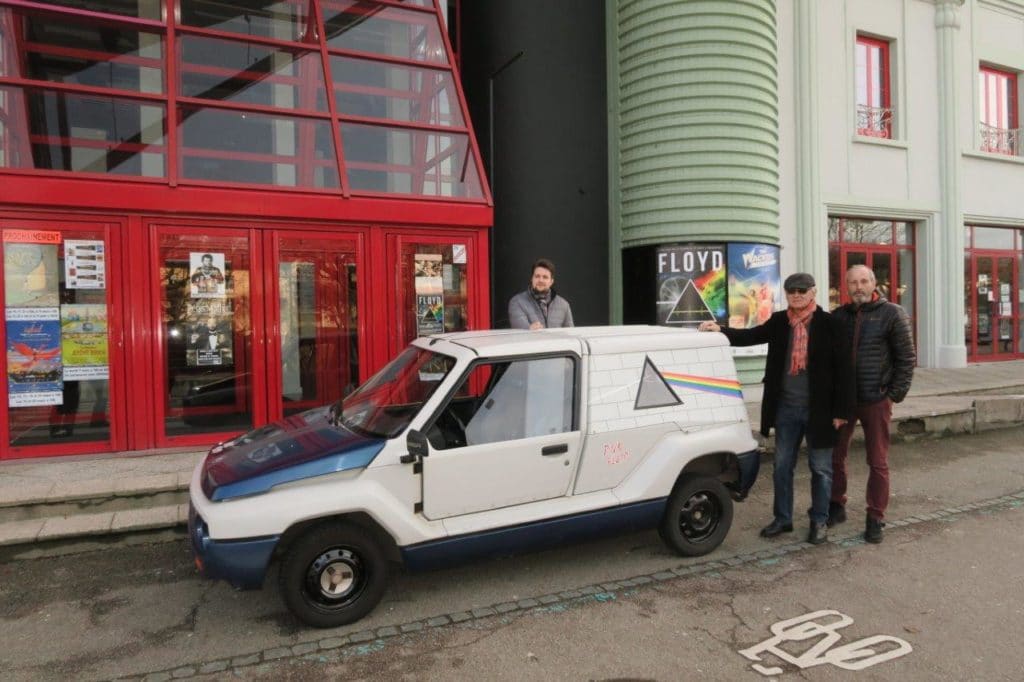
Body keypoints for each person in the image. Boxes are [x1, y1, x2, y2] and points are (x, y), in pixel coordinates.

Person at [698, 272, 853, 544]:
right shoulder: (780, 321)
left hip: (820, 411)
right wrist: (720, 329)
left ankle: (819, 520)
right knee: (782, 467)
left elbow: (844, 371)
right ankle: (783, 519)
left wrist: (841, 412)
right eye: (792, 290)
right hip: (786, 409)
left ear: (814, 292)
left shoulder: (831, 324)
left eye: (802, 290)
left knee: (821, 469)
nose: (796, 294)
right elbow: (751, 335)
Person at [828, 265, 916, 544]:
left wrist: (894, 394)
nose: (858, 287)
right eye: (853, 282)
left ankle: (875, 515)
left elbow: (906, 358)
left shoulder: (892, 313)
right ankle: (836, 505)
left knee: (877, 461)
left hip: (876, 399)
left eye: (863, 281)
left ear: (874, 283)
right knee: (834, 456)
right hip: (844, 401)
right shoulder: (839, 316)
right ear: (846, 286)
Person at [508, 258, 574, 329]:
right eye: (537, 276)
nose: (540, 280)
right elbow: (520, 332)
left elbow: (570, 335)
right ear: (532, 278)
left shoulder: (564, 305)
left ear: (551, 281)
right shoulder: (517, 302)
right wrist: (529, 329)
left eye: (545, 277)